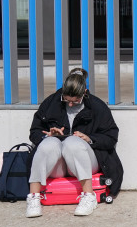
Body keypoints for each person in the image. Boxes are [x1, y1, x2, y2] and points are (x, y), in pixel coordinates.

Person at [25, 68, 123, 218]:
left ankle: (89, 196)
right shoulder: (51, 103)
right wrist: (47, 135)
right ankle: (33, 197)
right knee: (48, 144)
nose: (70, 105)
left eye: (75, 101)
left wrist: (89, 139)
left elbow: (111, 136)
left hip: (85, 161)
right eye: (66, 100)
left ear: (84, 93)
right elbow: (34, 131)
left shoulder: (97, 106)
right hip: (57, 164)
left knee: (73, 142)